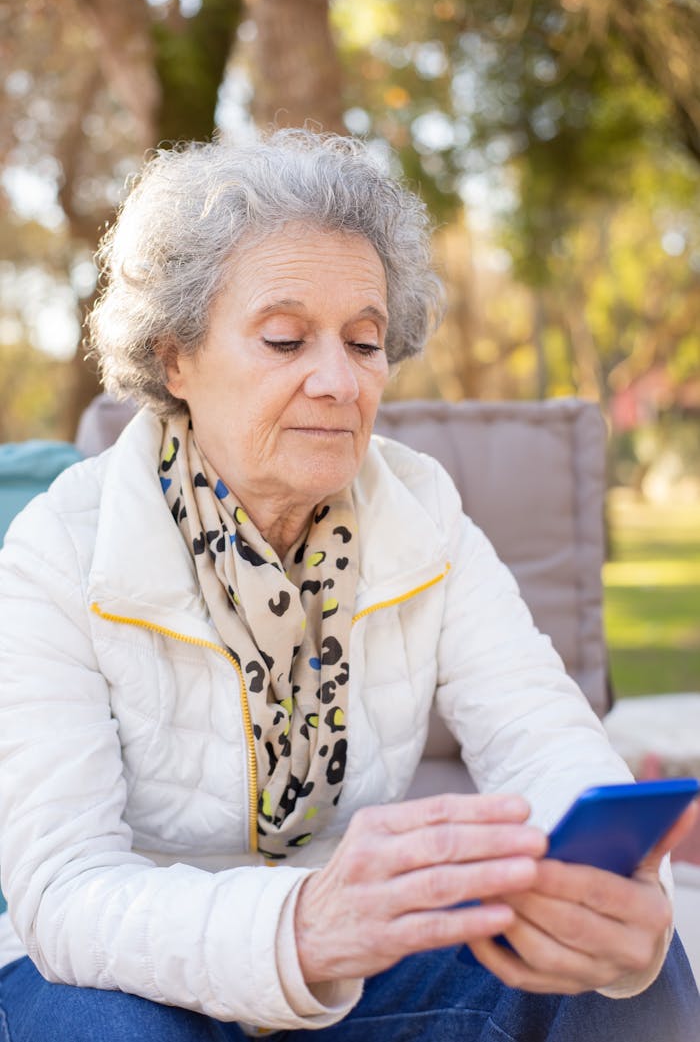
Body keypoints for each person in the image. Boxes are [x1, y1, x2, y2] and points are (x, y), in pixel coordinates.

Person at [0, 130, 697, 1042]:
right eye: (286, 338)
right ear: (176, 358)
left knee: (625, 976)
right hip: (126, 975)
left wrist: (618, 902)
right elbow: (66, 891)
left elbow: (546, 745)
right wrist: (300, 929)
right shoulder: (56, 550)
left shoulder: (425, 514)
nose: (338, 380)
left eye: (364, 342)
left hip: (357, 969)